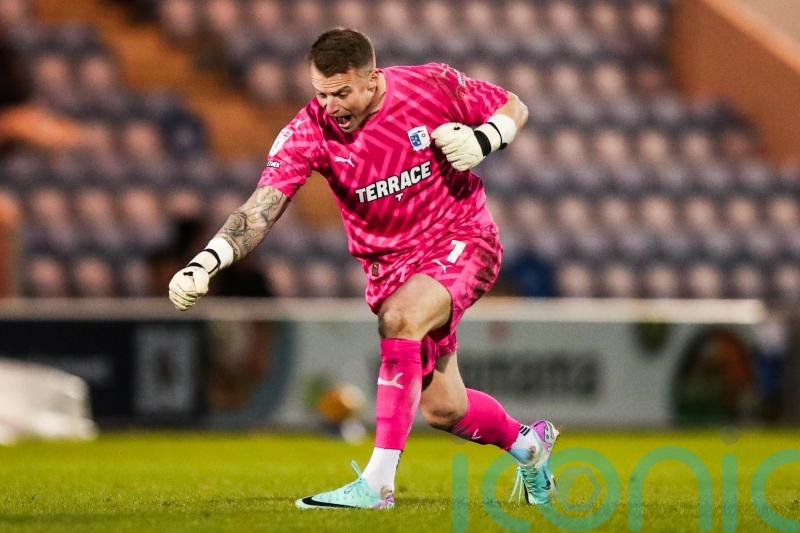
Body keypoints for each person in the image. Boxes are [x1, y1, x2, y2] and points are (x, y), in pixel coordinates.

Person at [169, 28, 558, 509]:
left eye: (341, 93)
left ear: (372, 79)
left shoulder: (429, 86)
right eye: (321, 94)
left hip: (462, 238)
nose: (330, 106)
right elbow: (261, 209)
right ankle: (530, 446)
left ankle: (377, 486)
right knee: (444, 409)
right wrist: (207, 261)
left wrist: (487, 137)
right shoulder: (310, 131)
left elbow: (513, 105)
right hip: (392, 271)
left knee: (400, 318)